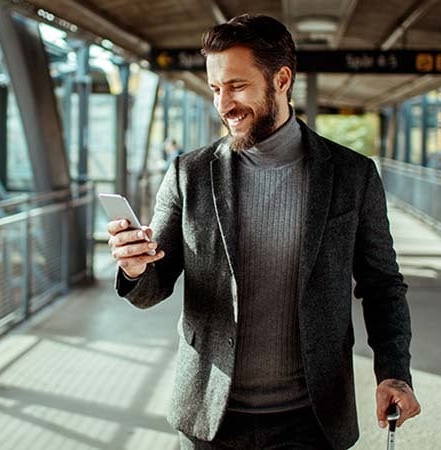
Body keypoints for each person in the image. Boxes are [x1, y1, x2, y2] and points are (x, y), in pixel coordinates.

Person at [107, 13, 419, 450]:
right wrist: (136, 267)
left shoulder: (353, 175)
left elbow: (383, 285)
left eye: (236, 86)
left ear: (282, 79)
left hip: (311, 421)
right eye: (216, 89)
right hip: (209, 418)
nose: (223, 104)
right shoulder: (188, 173)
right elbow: (153, 287)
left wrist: (394, 372)